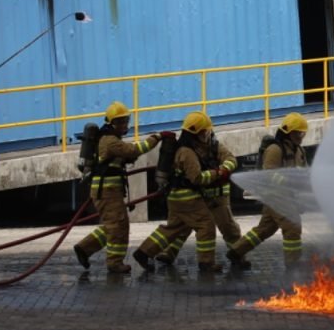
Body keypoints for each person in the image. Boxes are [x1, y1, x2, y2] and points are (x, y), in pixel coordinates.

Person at [72, 101, 169, 273]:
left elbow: (120, 157)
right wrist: (157, 137)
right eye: (120, 121)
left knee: (114, 224)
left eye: (125, 120)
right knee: (118, 226)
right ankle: (114, 263)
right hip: (107, 191)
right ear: (111, 123)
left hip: (110, 190)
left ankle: (85, 248)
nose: (124, 125)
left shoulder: (110, 138)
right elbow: (133, 150)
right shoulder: (110, 140)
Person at [133, 111, 230, 273]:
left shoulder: (182, 148)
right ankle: (206, 263)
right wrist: (217, 173)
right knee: (206, 226)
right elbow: (196, 178)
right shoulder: (188, 152)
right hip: (188, 198)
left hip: (176, 197)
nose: (207, 134)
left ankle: (143, 252)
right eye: (204, 131)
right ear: (197, 133)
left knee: (173, 229)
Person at [227, 112, 309, 269]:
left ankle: (236, 251)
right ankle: (293, 265)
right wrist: (290, 181)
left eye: (303, 133)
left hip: (288, 197)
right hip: (275, 197)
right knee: (293, 227)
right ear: (288, 132)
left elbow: (303, 172)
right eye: (298, 132)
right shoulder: (275, 149)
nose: (301, 136)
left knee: (265, 229)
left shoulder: (299, 151)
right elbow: (268, 174)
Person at [153, 129, 240, 266]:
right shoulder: (188, 150)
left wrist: (225, 169)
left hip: (218, 196)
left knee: (229, 228)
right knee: (184, 226)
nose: (203, 135)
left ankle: (238, 254)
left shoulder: (215, 146)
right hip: (199, 196)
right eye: (200, 133)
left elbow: (231, 159)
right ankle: (169, 253)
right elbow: (196, 176)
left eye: (205, 132)